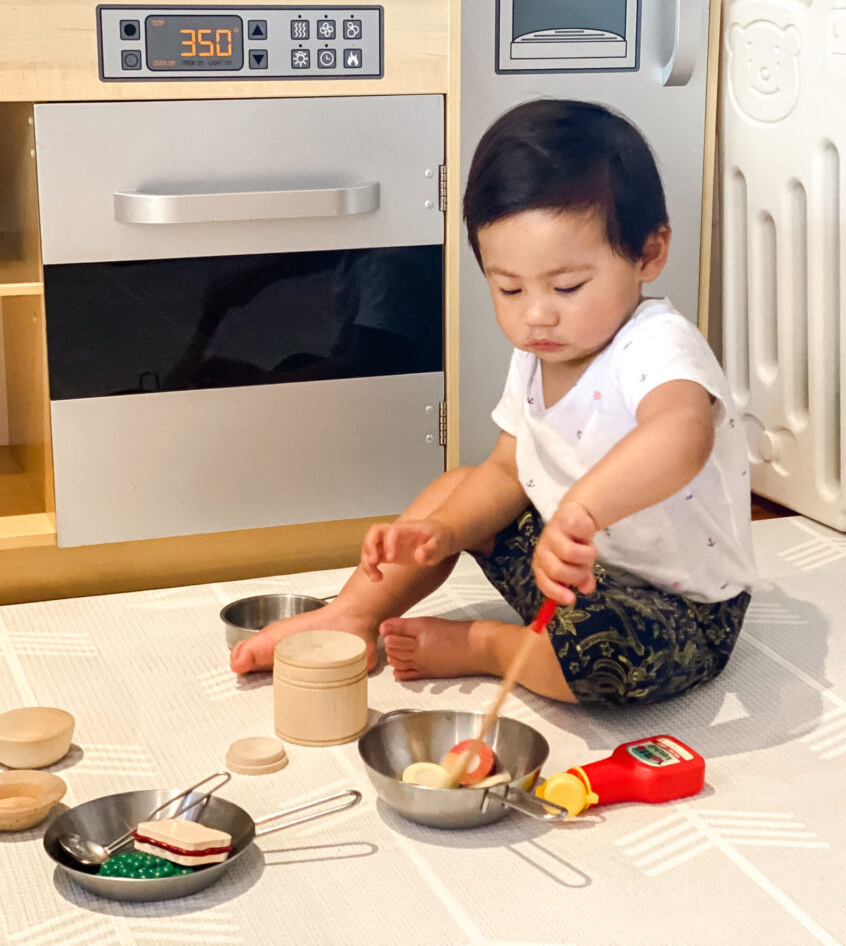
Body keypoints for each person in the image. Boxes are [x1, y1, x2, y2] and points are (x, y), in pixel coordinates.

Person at [230, 98, 755, 706]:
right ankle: (351, 614)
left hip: (676, 611)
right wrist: (441, 533)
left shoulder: (656, 343)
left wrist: (581, 511)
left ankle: (485, 646)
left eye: (567, 286)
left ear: (649, 252)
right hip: (567, 572)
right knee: (457, 490)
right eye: (508, 288)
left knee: (595, 652)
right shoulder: (541, 351)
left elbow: (682, 433)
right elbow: (508, 471)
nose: (536, 313)